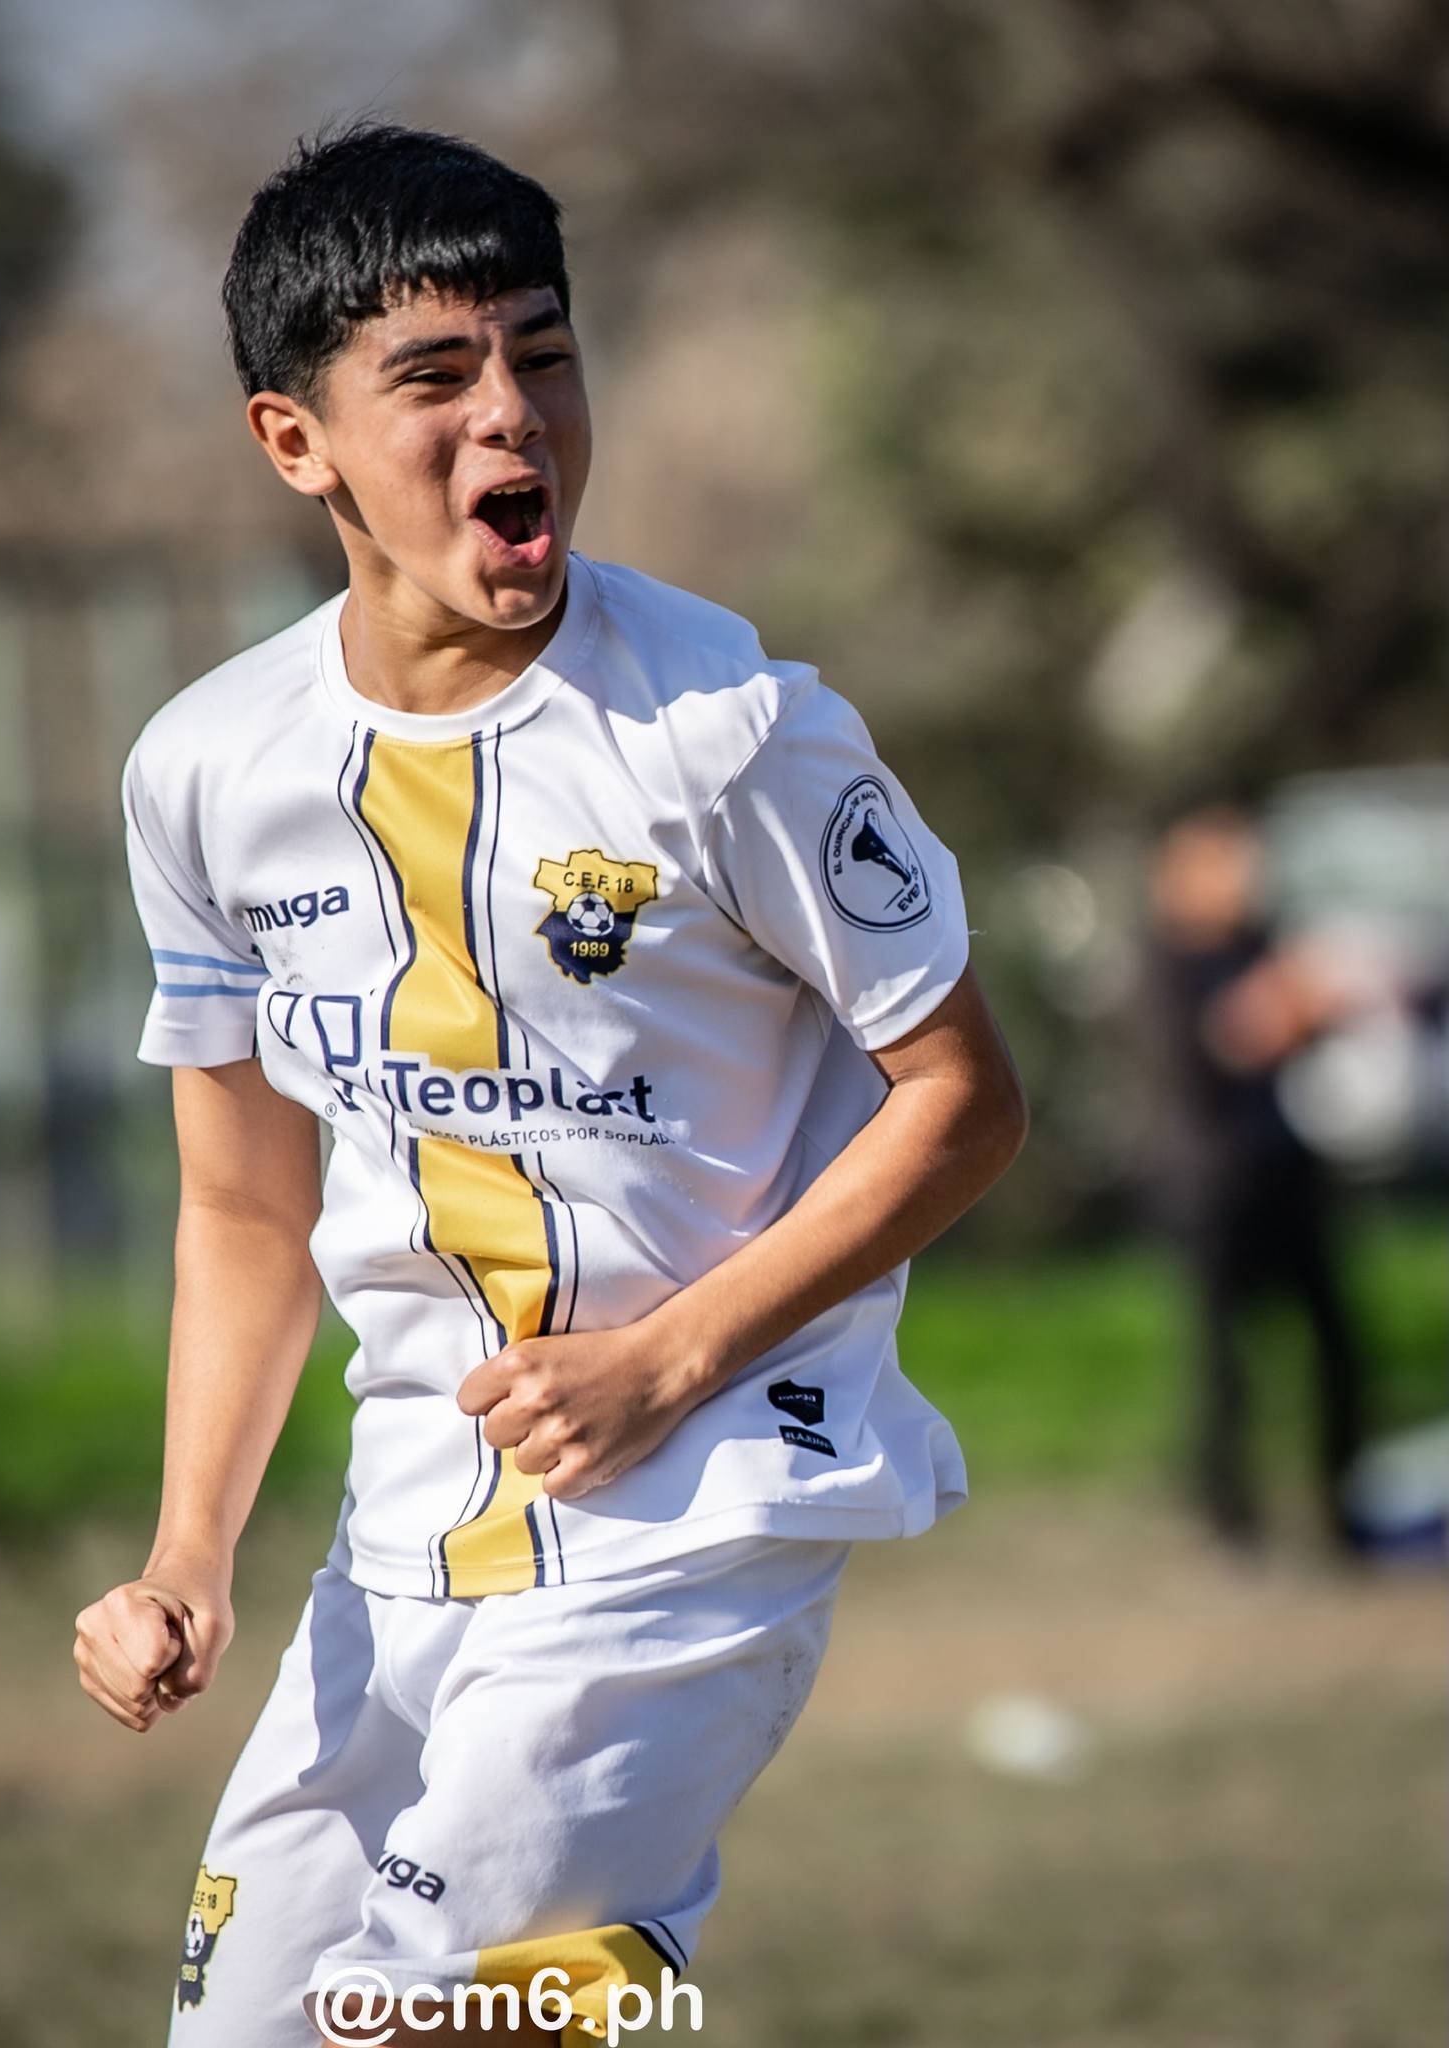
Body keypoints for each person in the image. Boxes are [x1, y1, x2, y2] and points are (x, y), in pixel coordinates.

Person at [73, 122, 1028, 2046]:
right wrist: (188, 1553)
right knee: (254, 2028)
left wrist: (669, 1357)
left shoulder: (732, 727)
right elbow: (247, 1206)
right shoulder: (205, 768)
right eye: (435, 377)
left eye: (545, 351)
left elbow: (967, 1099)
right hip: (408, 1527)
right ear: (296, 441)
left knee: (425, 2016)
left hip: (705, 1509)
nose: (513, 415)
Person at [1143, 801, 1370, 1559]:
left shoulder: (1264, 942)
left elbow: (1309, 1015)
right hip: (1213, 1184)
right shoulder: (1163, 962)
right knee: (1224, 1363)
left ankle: (1344, 1509)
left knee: (1337, 1348)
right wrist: (1274, 1016)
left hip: (1287, 1172)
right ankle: (1229, 1520)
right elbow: (1222, 1044)